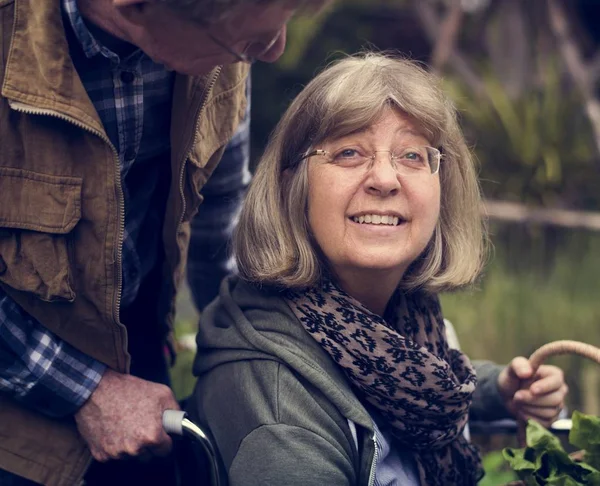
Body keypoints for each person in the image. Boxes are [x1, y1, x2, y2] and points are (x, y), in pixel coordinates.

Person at [188, 53, 568, 486]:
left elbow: (414, 380)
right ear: (292, 182)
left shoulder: (399, 315)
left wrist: (500, 392)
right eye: (349, 152)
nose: (385, 179)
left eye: (411, 155)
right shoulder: (278, 412)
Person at [0, 0, 328, 485]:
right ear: (133, 8)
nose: (275, 50)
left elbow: (222, 212)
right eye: (252, 41)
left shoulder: (224, 28)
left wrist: (282, 338)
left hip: (138, 353)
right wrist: (88, 391)